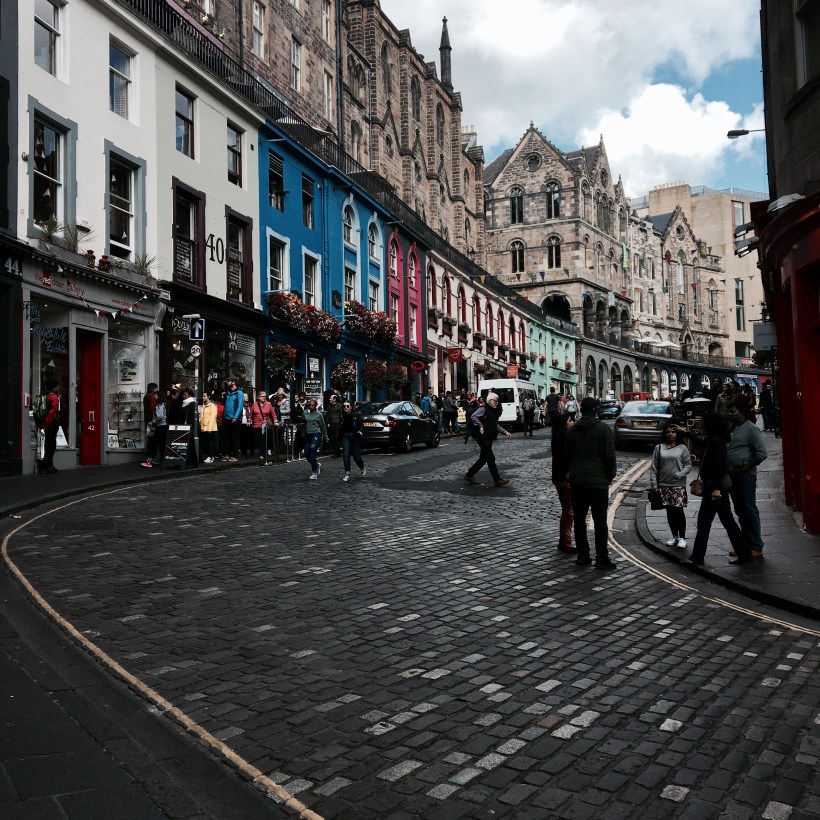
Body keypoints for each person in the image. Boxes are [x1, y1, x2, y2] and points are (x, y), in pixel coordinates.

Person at [680, 413, 754, 566]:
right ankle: (745, 554)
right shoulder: (713, 439)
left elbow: (721, 466)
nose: (703, 426)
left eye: (705, 423)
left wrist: (717, 489)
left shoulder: (717, 441)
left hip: (715, 487)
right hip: (715, 486)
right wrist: (685, 432)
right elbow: (701, 443)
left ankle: (698, 557)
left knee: (704, 521)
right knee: (728, 521)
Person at [565, 396, 617, 569]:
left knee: (579, 519)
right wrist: (609, 477)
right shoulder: (603, 429)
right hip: (598, 482)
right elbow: (610, 457)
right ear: (596, 410)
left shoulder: (572, 430)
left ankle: (583, 556)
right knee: (600, 521)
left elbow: (568, 456)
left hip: (578, 481)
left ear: (581, 410)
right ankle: (602, 558)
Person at [727, 399, 768, 558]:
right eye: (729, 411)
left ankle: (756, 546)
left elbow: (761, 453)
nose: (730, 414)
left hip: (745, 476)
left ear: (742, 412)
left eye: (733, 411)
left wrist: (746, 466)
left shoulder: (751, 429)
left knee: (749, 511)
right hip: (733, 476)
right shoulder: (733, 428)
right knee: (740, 512)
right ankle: (745, 546)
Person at [649, 422, 693, 549]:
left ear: (677, 434)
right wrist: (654, 485)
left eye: (673, 432)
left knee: (678, 511)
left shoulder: (682, 448)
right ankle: (674, 536)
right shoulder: (659, 448)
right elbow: (654, 468)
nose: (670, 434)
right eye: (668, 432)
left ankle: (682, 538)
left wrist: (680, 474)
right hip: (663, 484)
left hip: (678, 485)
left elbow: (688, 465)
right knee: (670, 511)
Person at [464, 392, 512, 487]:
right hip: (482, 437)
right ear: (490, 401)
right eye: (495, 401)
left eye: (497, 401)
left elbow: (495, 425)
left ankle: (469, 475)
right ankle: (497, 479)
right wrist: (481, 426)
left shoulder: (492, 411)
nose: (497, 403)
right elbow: (473, 416)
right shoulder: (483, 409)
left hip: (489, 438)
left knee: (483, 459)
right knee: (490, 457)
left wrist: (505, 432)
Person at [550, 413, 575, 554]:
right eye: (570, 420)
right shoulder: (565, 439)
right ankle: (566, 542)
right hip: (564, 478)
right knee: (568, 511)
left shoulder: (558, 438)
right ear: (564, 424)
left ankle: (564, 540)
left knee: (567, 510)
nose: (572, 422)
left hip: (559, 477)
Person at [339, 399, 366, 481]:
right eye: (344, 406)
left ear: (351, 407)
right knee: (346, 455)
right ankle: (347, 473)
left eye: (347, 406)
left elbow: (361, 425)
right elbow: (340, 428)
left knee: (356, 456)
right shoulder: (342, 416)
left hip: (355, 437)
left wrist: (360, 431)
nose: (345, 408)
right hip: (346, 437)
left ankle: (362, 467)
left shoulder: (355, 415)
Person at [38, 380, 61, 474]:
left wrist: (41, 424)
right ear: (55, 387)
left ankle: (48, 465)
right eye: (58, 386)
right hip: (51, 425)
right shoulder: (54, 397)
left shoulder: (42, 395)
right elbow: (52, 413)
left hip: (43, 424)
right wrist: (46, 424)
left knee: (46, 445)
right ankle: (47, 466)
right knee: (51, 446)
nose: (58, 388)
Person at [303, 398, 328, 479]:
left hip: (316, 434)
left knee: (312, 453)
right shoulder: (305, 413)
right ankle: (316, 464)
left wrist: (325, 436)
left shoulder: (319, 415)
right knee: (306, 454)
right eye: (310, 405)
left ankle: (314, 472)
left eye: (313, 405)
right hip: (308, 434)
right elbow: (303, 422)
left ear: (316, 406)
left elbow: (323, 426)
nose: (311, 406)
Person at [141, 392, 167, 468]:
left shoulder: (159, 405)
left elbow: (160, 416)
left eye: (155, 395)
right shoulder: (163, 404)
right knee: (161, 444)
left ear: (158, 396)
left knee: (154, 444)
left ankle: (149, 461)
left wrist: (153, 422)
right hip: (164, 426)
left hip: (160, 426)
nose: (154, 396)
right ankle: (162, 460)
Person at [250, 390, 275, 465]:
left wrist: (275, 421)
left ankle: (262, 455)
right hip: (256, 425)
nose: (264, 397)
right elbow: (251, 414)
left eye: (265, 396)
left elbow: (273, 414)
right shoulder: (254, 404)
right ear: (258, 397)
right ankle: (260, 453)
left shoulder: (268, 404)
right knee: (257, 439)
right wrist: (249, 420)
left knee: (263, 440)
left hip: (264, 425)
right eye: (263, 396)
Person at [222, 379, 244, 461]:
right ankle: (227, 454)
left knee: (234, 438)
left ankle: (234, 455)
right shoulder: (228, 392)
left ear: (233, 382)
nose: (227, 382)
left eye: (228, 381)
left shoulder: (239, 393)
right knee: (226, 437)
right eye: (226, 381)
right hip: (226, 417)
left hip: (234, 418)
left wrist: (236, 417)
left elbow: (240, 405)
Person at [181, 387, 199, 468]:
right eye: (183, 394)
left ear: (189, 395)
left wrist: (191, 426)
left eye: (185, 394)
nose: (183, 396)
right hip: (186, 426)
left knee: (190, 445)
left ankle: (191, 462)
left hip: (189, 426)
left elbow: (192, 417)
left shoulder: (191, 403)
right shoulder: (185, 403)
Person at [199, 391, 218, 463]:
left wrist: (209, 428)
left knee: (210, 443)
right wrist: (201, 427)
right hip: (204, 428)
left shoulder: (212, 406)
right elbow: (202, 417)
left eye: (204, 396)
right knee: (205, 443)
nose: (203, 397)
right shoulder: (203, 406)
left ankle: (210, 457)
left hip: (211, 428)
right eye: (203, 396)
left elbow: (213, 418)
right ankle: (210, 456)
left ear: (209, 397)